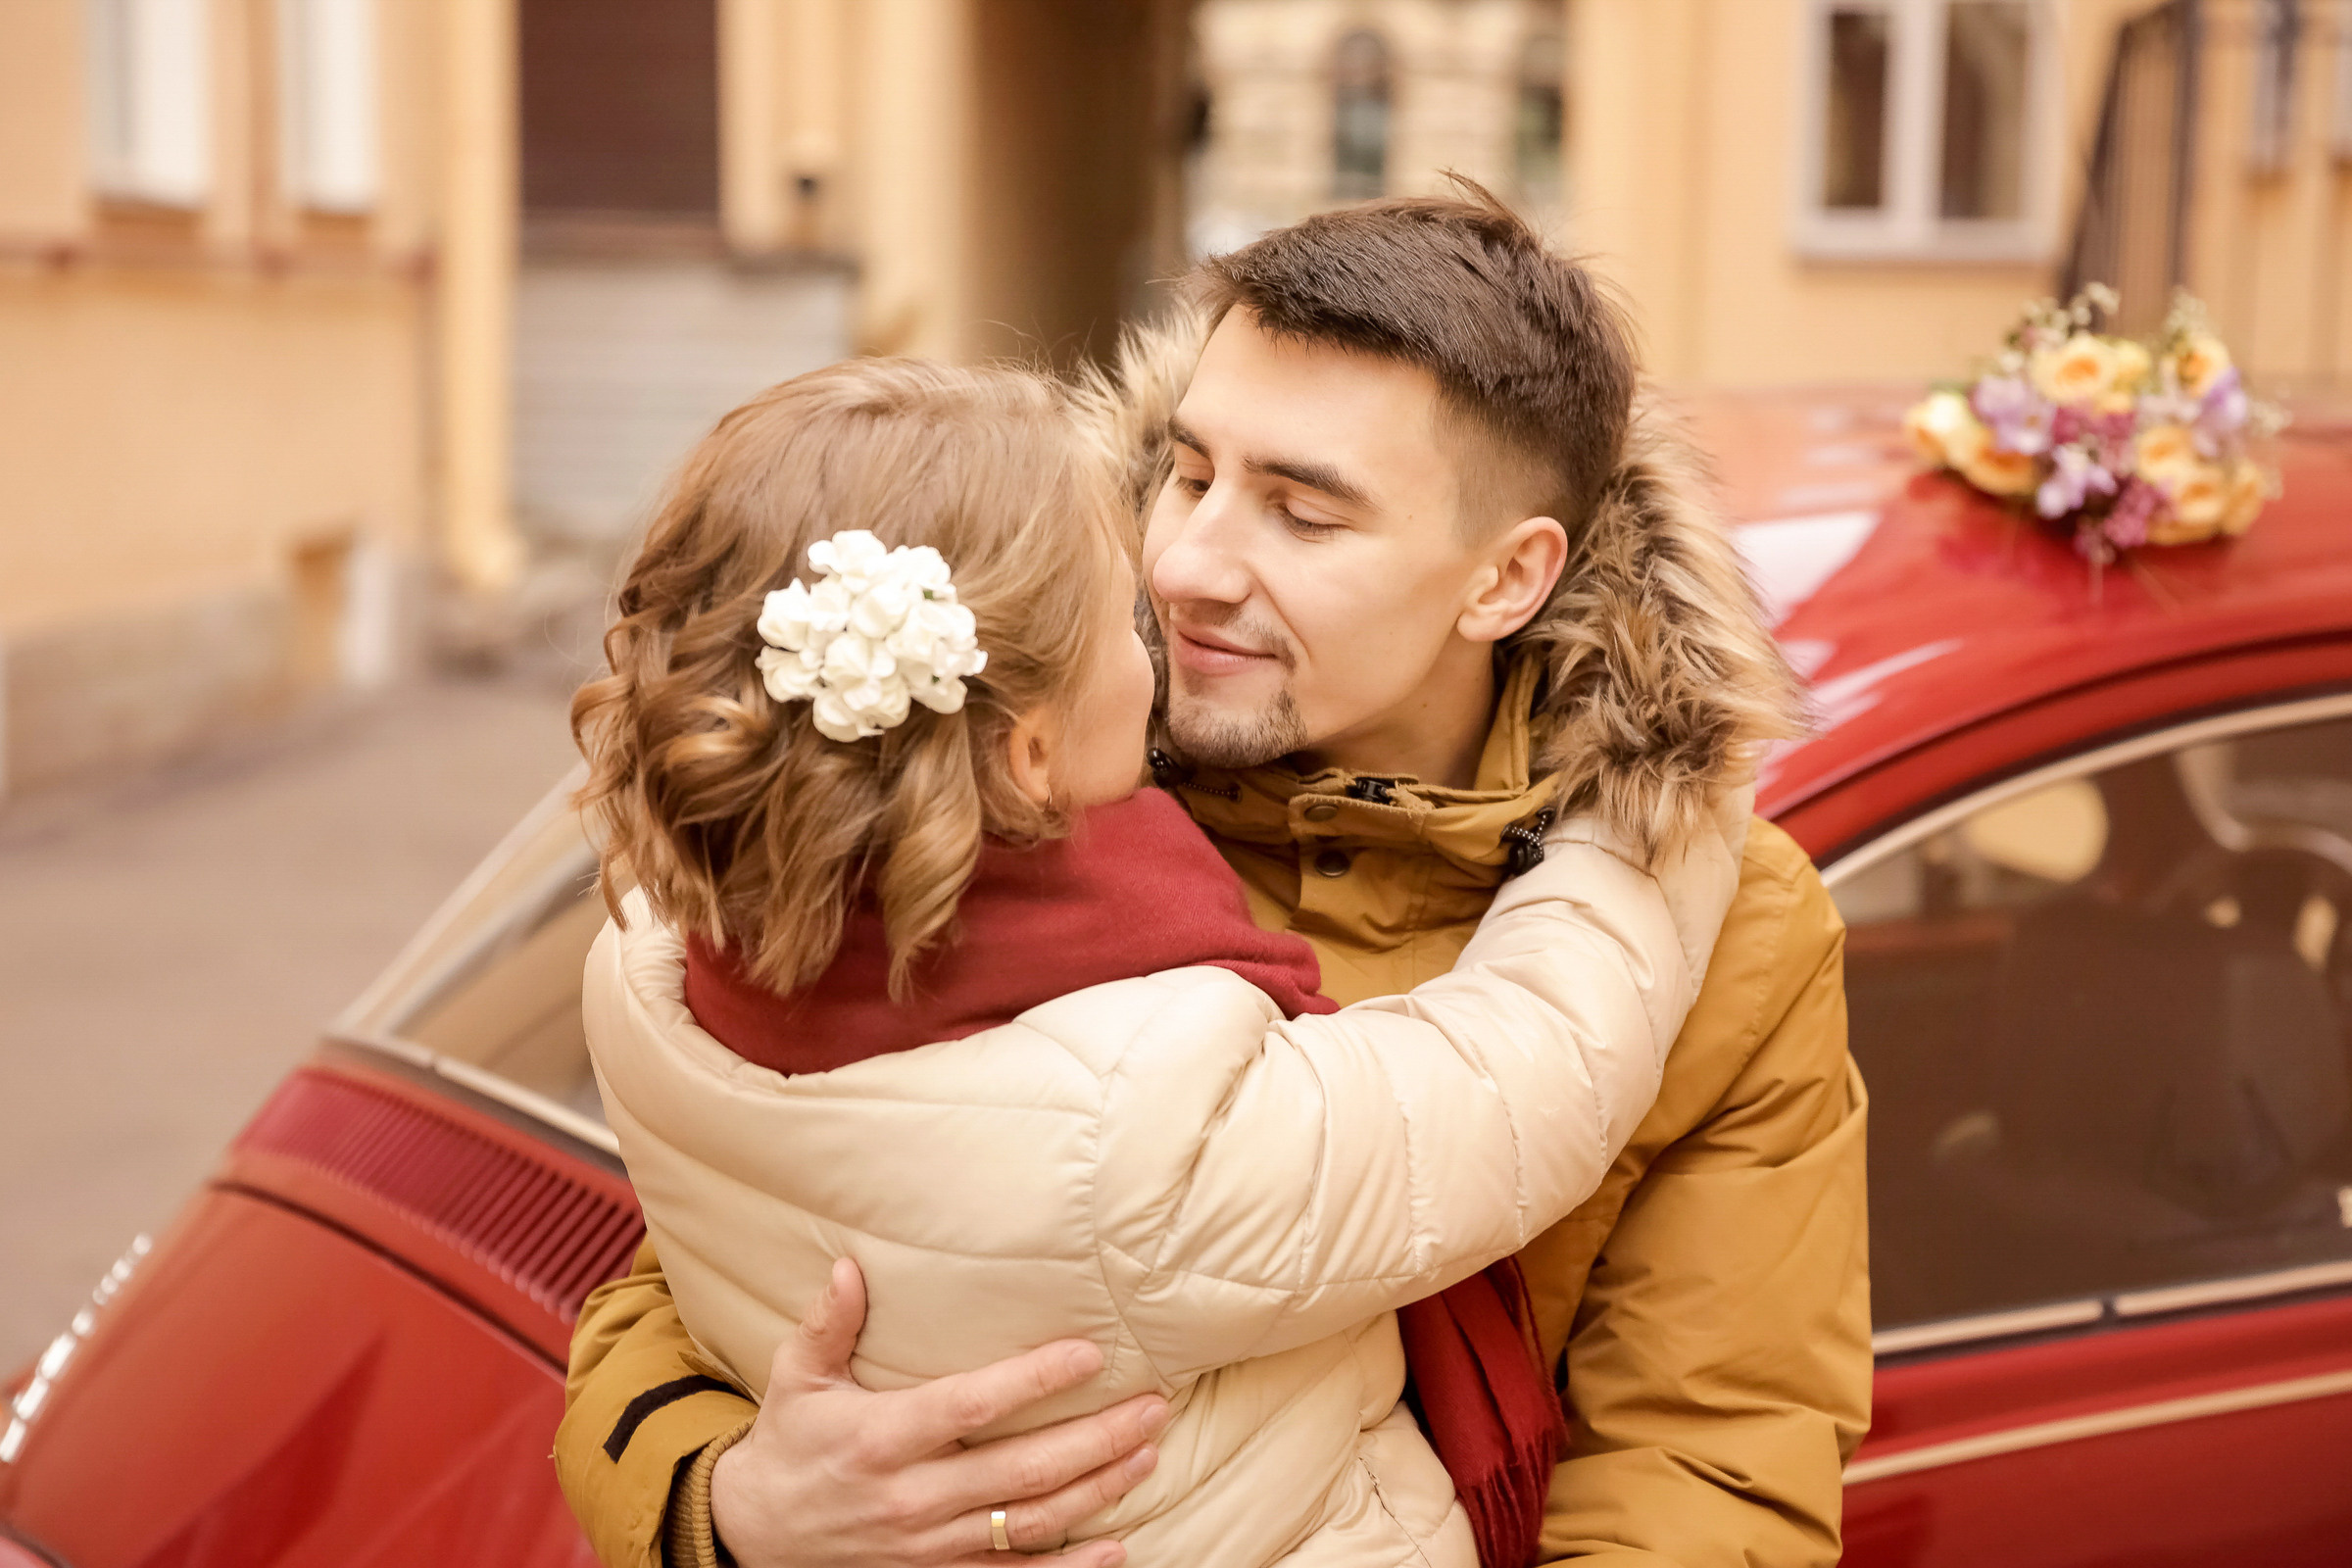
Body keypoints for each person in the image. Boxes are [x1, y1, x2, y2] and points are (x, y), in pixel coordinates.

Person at [556, 184, 1869, 1568]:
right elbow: (714, 1261)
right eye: (1188, 474)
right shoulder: (1008, 795)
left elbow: (1708, 1458)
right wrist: (727, 1509)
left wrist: (1667, 783)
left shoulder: (1728, 927)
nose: (1180, 563)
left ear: (1504, 581)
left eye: (1304, 515)